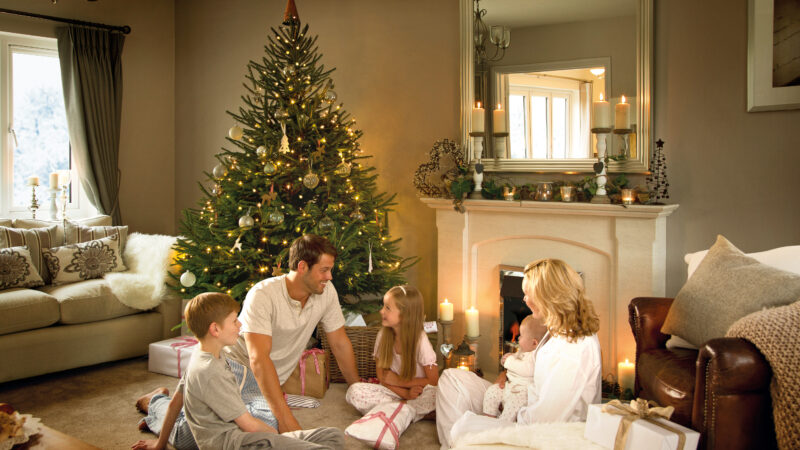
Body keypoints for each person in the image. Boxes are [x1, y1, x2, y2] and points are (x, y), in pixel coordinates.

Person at [142, 292, 344, 450]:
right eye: (234, 321)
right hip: (236, 444)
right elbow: (250, 426)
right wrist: (281, 439)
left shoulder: (203, 353)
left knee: (333, 436)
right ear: (215, 329)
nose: (240, 325)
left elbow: (177, 400)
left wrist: (160, 445)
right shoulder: (210, 371)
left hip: (246, 437)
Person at [436, 259, 602, 448]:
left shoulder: (570, 349)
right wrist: (505, 375)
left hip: (525, 422)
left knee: (465, 427)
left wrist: (507, 410)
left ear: (548, 297)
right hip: (517, 395)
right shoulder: (559, 328)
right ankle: (456, 442)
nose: (525, 300)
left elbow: (544, 420)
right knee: (451, 377)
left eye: (528, 294)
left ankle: (456, 444)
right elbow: (530, 364)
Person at [225, 234, 359, 433]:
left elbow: (339, 343)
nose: (330, 277)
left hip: (269, 383)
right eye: (324, 270)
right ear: (302, 266)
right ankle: (160, 401)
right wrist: (287, 421)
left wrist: (357, 389)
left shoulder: (326, 291)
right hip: (235, 370)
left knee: (263, 427)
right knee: (251, 430)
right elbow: (258, 359)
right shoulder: (262, 295)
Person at [344, 285, 438, 439]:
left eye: (387, 308)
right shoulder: (383, 336)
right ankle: (412, 410)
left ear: (404, 314)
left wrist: (400, 381)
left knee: (435, 396)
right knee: (354, 392)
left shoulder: (420, 340)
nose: (381, 311)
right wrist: (406, 394)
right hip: (396, 392)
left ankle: (395, 410)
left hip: (420, 392)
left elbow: (433, 380)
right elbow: (383, 378)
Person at [481, 314, 547, 421]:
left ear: (534, 343)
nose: (518, 338)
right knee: (492, 392)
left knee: (512, 408)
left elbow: (527, 369)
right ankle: (489, 418)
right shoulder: (523, 350)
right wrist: (508, 357)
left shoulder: (535, 356)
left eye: (521, 335)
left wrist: (509, 361)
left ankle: (503, 425)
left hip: (521, 392)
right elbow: (514, 360)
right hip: (509, 385)